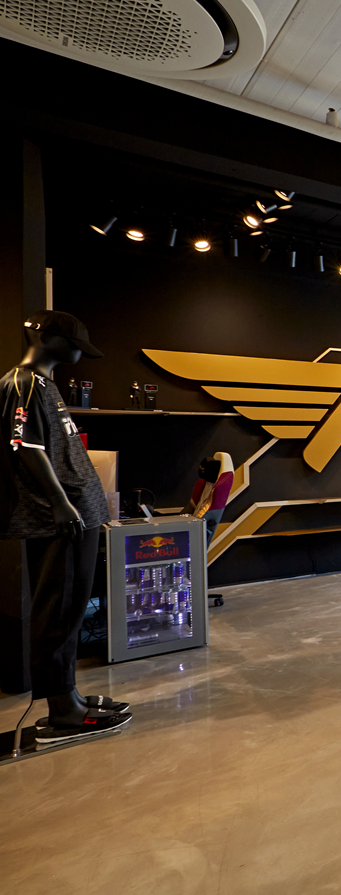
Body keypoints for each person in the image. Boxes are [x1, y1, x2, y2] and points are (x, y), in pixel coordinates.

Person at [2, 311, 130, 745]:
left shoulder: (45, 384)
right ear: (46, 337)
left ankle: (68, 694)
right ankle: (62, 711)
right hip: (60, 518)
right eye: (75, 344)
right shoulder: (21, 383)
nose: (79, 354)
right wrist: (60, 504)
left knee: (71, 609)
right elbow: (24, 446)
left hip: (78, 514)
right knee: (57, 612)